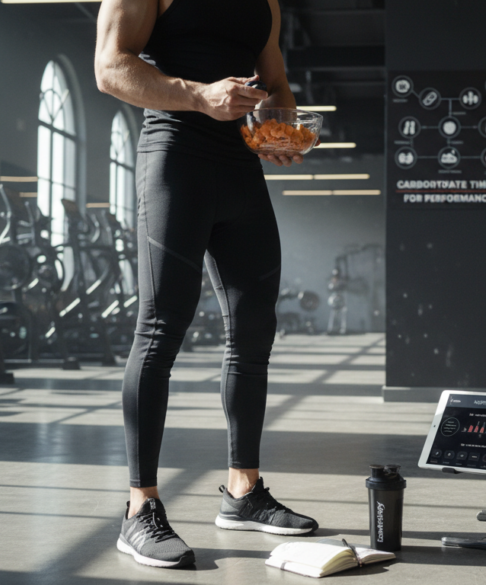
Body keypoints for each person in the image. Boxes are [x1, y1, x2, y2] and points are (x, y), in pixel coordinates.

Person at [95, 0, 318, 569]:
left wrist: (281, 126)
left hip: (240, 169)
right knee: (162, 325)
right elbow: (110, 67)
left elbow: (276, 83)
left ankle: (244, 491)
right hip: (176, 157)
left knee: (254, 327)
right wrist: (198, 95)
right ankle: (138, 508)